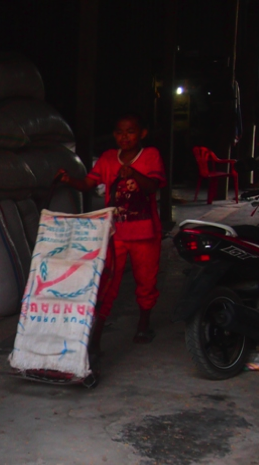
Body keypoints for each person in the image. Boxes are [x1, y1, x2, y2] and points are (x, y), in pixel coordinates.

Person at [57, 114, 166, 354]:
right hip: (115, 232)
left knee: (146, 280)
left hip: (145, 232)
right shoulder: (107, 158)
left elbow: (153, 187)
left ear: (142, 134)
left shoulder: (150, 156)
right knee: (107, 280)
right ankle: (96, 334)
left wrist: (134, 174)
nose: (124, 137)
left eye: (130, 132)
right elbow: (88, 183)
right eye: (119, 132)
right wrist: (69, 180)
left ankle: (144, 323)